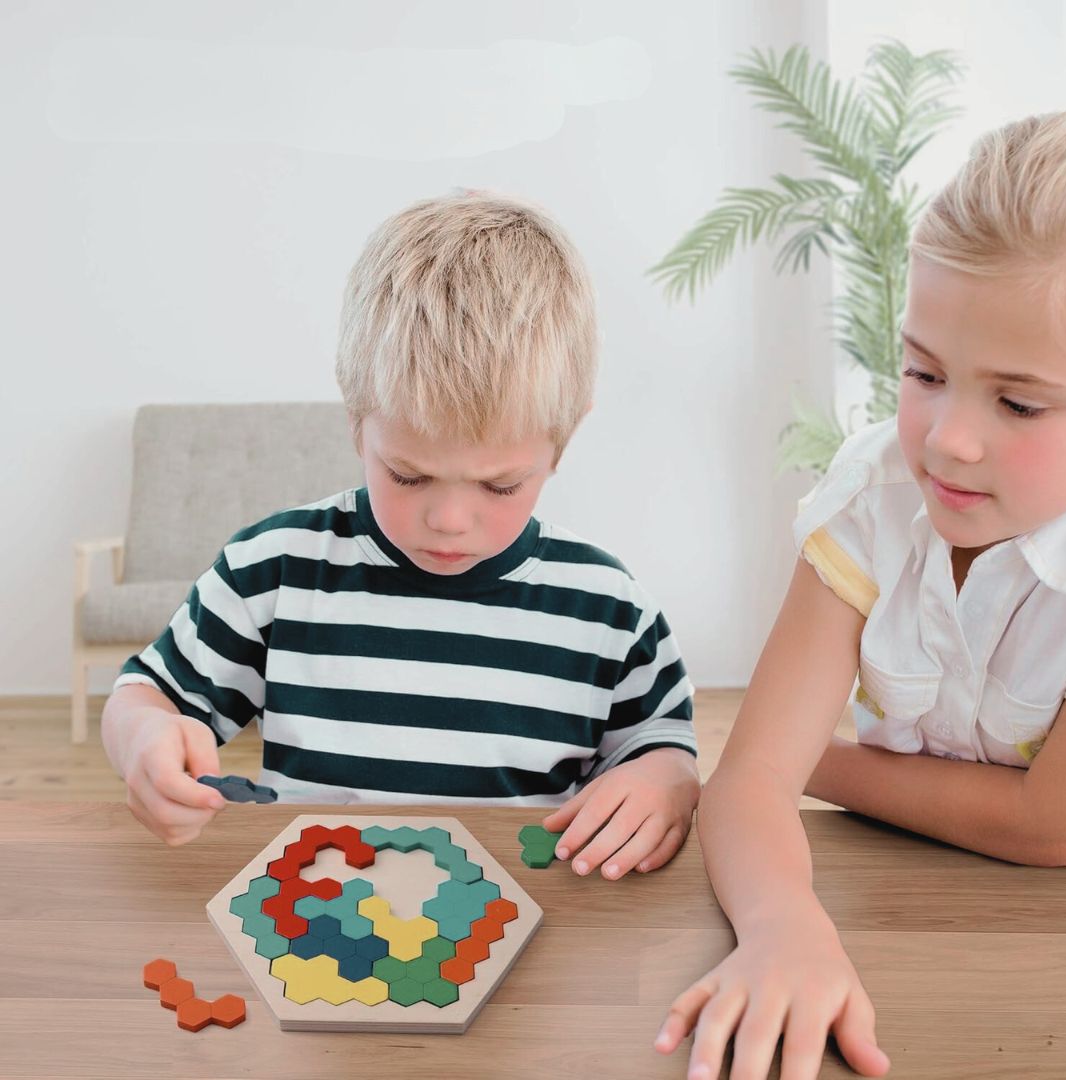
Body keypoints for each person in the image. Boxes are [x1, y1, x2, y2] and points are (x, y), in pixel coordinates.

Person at [656, 110, 1066, 1079]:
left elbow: (1055, 830)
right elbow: (745, 789)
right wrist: (782, 927)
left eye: (1017, 402)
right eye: (924, 372)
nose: (947, 440)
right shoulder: (875, 498)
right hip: (898, 903)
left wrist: (817, 765)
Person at [101, 192, 699, 877]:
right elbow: (146, 694)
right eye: (409, 476)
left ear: (563, 441)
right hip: (318, 930)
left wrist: (667, 782)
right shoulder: (274, 571)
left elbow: (661, 747)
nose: (448, 520)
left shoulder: (609, 611)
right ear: (358, 420)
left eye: (499, 485)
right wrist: (144, 739)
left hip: (525, 933)